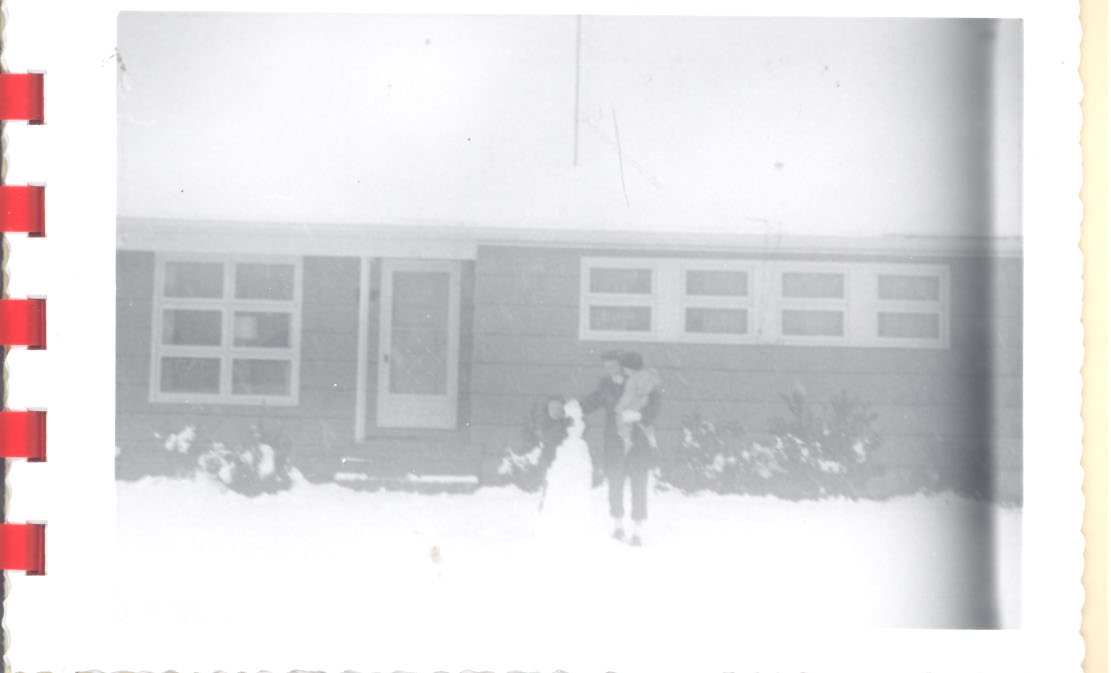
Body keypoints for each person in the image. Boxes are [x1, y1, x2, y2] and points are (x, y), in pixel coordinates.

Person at [578, 351, 661, 546]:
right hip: (615, 442)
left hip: (639, 442)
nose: (621, 373)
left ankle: (637, 530)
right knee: (615, 483)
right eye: (608, 367)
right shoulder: (608, 385)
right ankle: (618, 525)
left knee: (638, 485)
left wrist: (641, 416)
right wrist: (575, 407)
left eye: (624, 369)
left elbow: (656, 405)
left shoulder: (647, 383)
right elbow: (594, 401)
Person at [614, 352, 660, 454]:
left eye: (625, 369)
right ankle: (652, 440)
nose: (625, 372)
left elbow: (628, 395)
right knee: (645, 427)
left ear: (630, 368)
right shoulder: (650, 378)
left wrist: (620, 407)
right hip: (643, 408)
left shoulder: (633, 380)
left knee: (623, 420)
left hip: (634, 408)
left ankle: (627, 441)